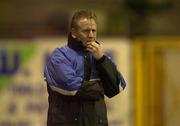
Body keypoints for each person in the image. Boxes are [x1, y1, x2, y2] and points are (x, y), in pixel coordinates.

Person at [44, 10, 126, 126]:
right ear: (74, 33)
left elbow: (117, 87)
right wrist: (100, 87)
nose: (91, 35)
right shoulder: (59, 56)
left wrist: (102, 60)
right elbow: (73, 88)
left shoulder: (100, 57)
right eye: (86, 31)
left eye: (94, 31)